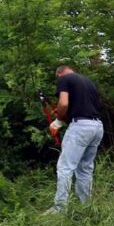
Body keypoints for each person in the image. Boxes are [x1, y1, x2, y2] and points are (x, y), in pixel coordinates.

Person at [44, 65, 104, 214]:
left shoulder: (64, 79)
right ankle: (86, 206)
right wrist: (65, 116)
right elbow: (85, 107)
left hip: (81, 127)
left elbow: (63, 103)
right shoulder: (88, 82)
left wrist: (58, 121)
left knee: (65, 167)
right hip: (97, 126)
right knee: (85, 168)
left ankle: (60, 209)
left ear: (59, 73)